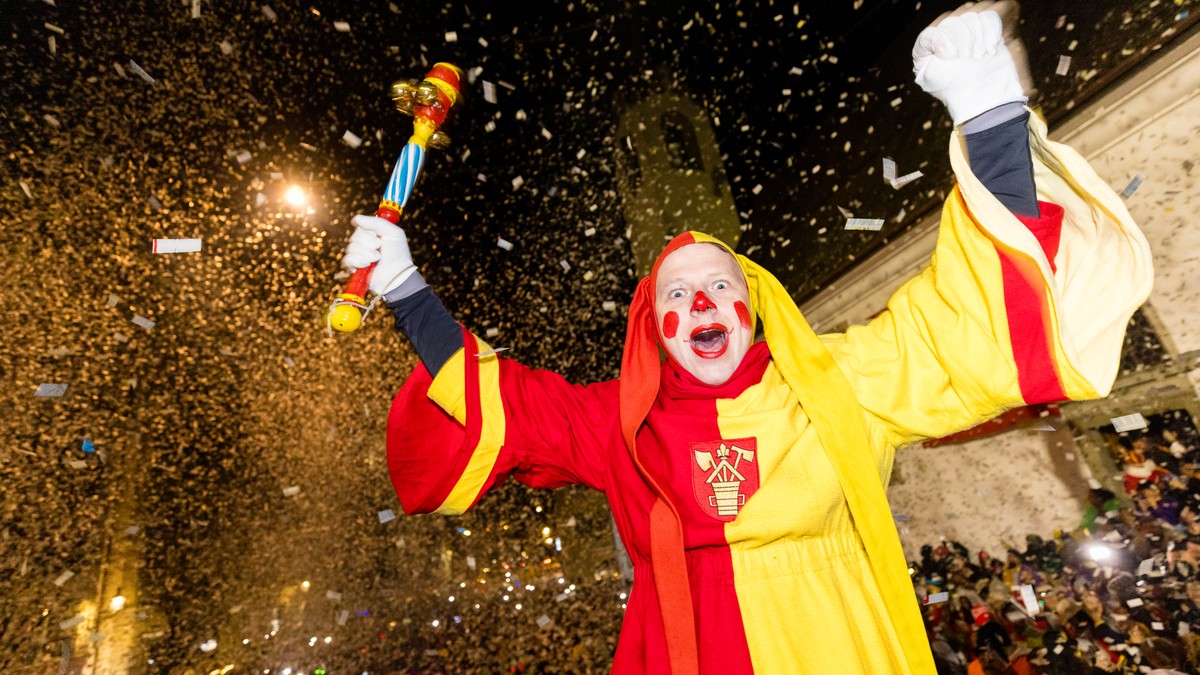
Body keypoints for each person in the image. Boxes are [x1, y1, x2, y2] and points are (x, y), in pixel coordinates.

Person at [340, 2, 1152, 672]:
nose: (701, 300)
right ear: (654, 326)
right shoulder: (620, 422)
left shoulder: (838, 381)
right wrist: (407, 289)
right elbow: (506, 403)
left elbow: (972, 324)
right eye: (678, 292)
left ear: (754, 305)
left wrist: (990, 113)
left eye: (720, 284)